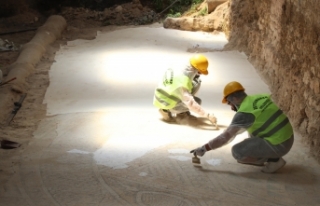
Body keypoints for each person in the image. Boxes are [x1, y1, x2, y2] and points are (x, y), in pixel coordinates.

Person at [190, 81, 294, 173]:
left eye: (230, 103)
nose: (231, 107)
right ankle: (269, 154)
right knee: (251, 131)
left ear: (235, 98)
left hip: (279, 144)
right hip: (287, 137)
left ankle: (274, 161)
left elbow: (226, 137)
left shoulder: (244, 113)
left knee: (238, 152)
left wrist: (204, 148)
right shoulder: (257, 98)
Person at [153, 54, 217, 124]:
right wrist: (207, 115)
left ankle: (174, 111)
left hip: (161, 96)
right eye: (199, 72)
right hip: (166, 103)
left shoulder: (179, 66)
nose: (200, 74)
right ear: (195, 69)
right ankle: (166, 111)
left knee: (194, 82)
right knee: (197, 100)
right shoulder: (183, 82)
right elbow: (191, 103)